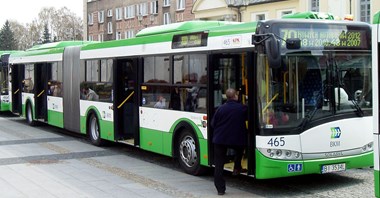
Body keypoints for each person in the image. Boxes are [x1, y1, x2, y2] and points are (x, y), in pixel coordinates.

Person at [211, 88, 248, 196]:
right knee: (241, 149)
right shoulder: (242, 108)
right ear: (235, 96)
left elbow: (213, 124)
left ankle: (220, 189)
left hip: (220, 140)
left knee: (219, 165)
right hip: (236, 140)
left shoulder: (220, 109)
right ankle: (237, 167)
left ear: (226, 97)